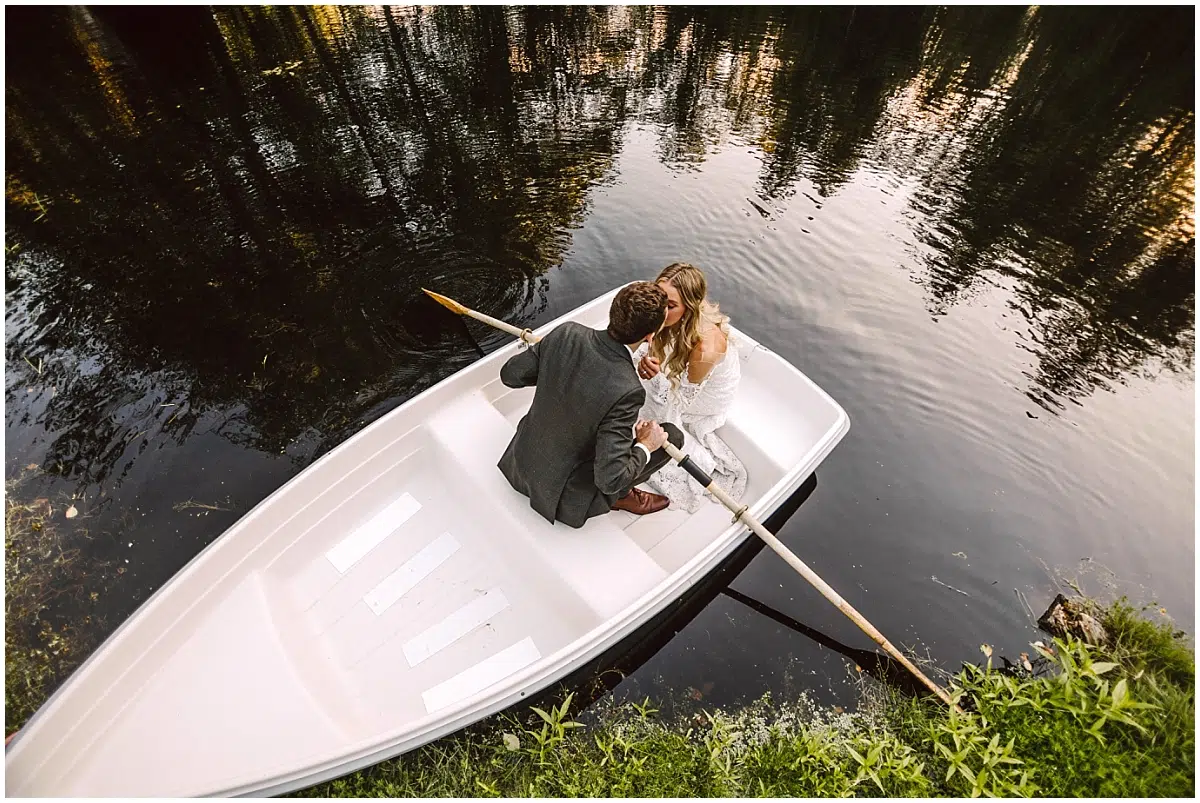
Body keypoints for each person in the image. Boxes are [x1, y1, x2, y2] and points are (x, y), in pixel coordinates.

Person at [497, 282, 685, 528]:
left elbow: (510, 375)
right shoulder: (628, 390)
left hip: (519, 461)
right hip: (560, 499)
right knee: (672, 436)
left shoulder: (566, 332)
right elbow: (610, 479)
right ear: (650, 336)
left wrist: (552, 364)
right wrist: (646, 445)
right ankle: (622, 498)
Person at [633, 263, 747, 513]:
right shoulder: (670, 317)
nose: (661, 311)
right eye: (659, 299)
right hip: (683, 372)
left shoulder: (705, 348)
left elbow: (678, 403)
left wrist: (655, 378)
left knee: (644, 405)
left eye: (670, 306)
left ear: (689, 308)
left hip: (706, 396)